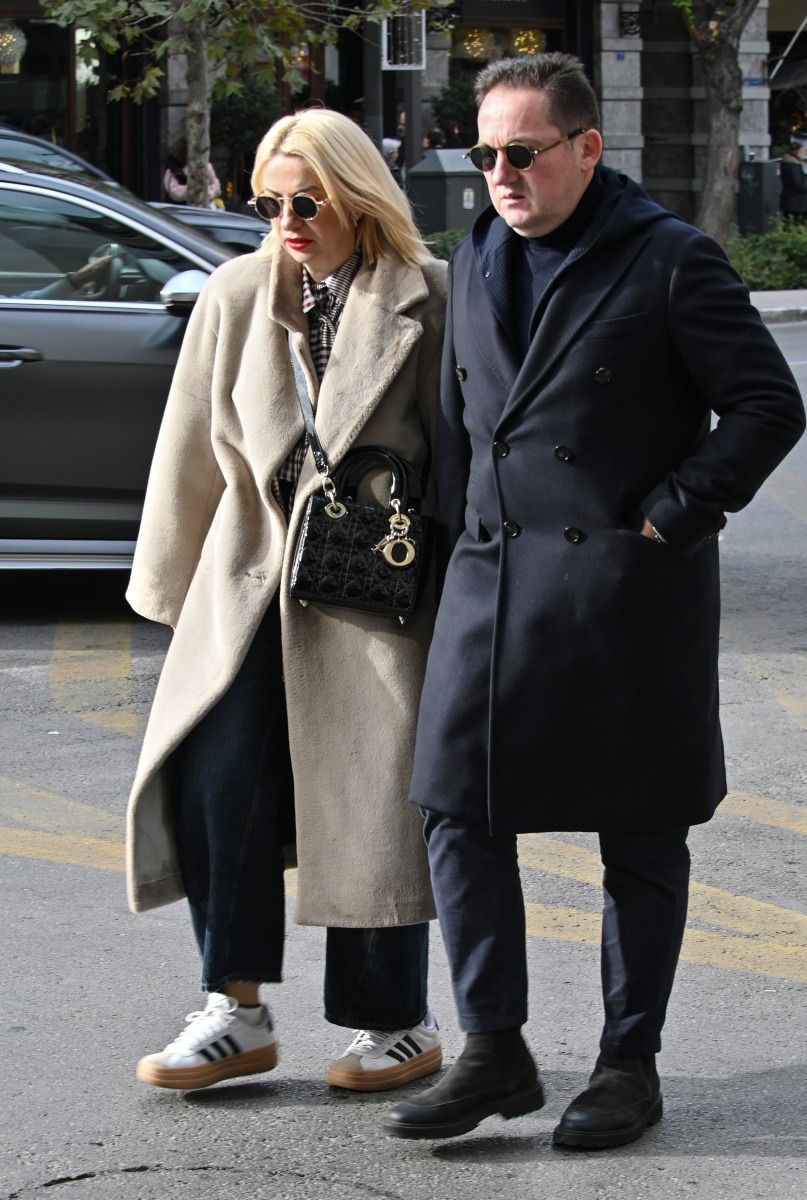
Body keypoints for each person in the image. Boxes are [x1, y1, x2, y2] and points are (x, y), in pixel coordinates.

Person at [384, 52, 806, 1147]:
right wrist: (448, 553)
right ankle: (493, 1049)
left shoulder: (669, 259)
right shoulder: (475, 256)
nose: (499, 174)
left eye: (521, 152)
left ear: (585, 148)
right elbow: (463, 429)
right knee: (455, 813)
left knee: (641, 831)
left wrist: (672, 517)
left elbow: (767, 404)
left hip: (625, 595)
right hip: (492, 585)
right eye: (484, 153)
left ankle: (628, 1064)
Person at [127, 107, 447, 1093]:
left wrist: (471, 599)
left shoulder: (428, 295)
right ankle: (235, 1009)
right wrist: (171, 591)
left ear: (358, 196)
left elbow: (459, 452)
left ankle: (394, 1021)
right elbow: (189, 445)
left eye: (308, 202)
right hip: (248, 576)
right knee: (218, 781)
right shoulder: (237, 293)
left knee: (372, 792)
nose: (287, 222)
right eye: (269, 203)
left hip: (374, 586)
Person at [163, 135, 222, 207]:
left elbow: (216, 185)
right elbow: (175, 193)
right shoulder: (174, 166)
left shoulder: (206, 165)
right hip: (180, 209)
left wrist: (211, 192)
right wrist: (198, 189)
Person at [779, 140, 807, 219]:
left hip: (789, 201)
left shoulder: (787, 163)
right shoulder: (793, 165)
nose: (804, 154)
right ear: (795, 152)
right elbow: (797, 183)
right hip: (795, 202)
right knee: (794, 221)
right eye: (802, 152)